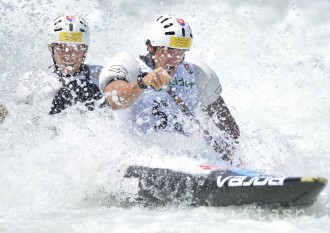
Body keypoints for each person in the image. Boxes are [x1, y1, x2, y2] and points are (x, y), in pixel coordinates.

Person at [99, 16, 239, 161]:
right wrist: (142, 82)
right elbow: (115, 100)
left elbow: (230, 130)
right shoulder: (128, 66)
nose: (175, 58)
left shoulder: (198, 73)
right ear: (150, 47)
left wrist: (229, 152)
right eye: (170, 50)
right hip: (137, 157)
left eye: (181, 52)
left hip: (186, 160)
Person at [14, 15, 103, 114]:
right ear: (50, 48)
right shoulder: (32, 81)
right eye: (61, 47)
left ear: (85, 50)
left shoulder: (101, 76)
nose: (69, 55)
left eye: (76, 48)